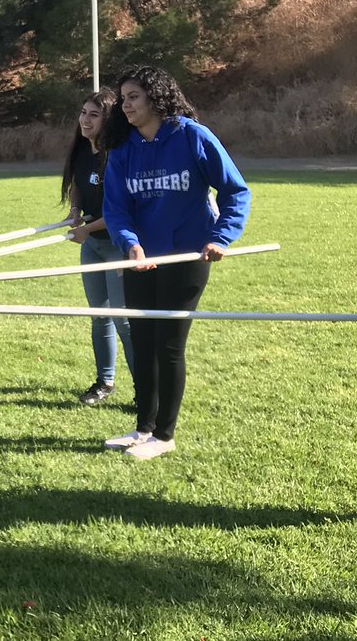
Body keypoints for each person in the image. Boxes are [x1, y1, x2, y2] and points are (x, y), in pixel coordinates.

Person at [102, 65, 251, 461]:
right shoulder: (123, 147)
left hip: (186, 257)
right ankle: (143, 428)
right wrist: (130, 245)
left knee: (167, 346)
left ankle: (164, 435)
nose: (126, 104)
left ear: (156, 97)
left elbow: (236, 191)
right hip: (140, 260)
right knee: (143, 342)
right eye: (123, 98)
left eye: (134, 96)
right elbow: (115, 209)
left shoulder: (191, 136)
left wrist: (220, 238)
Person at [59, 89, 133, 406]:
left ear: (107, 120)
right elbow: (77, 185)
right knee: (98, 315)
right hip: (92, 246)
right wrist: (75, 212)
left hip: (117, 245)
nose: (85, 119)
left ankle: (146, 386)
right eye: (83, 112)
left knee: (122, 319)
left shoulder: (117, 155)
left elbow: (120, 213)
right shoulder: (81, 151)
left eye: (93, 114)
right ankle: (105, 382)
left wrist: (85, 230)